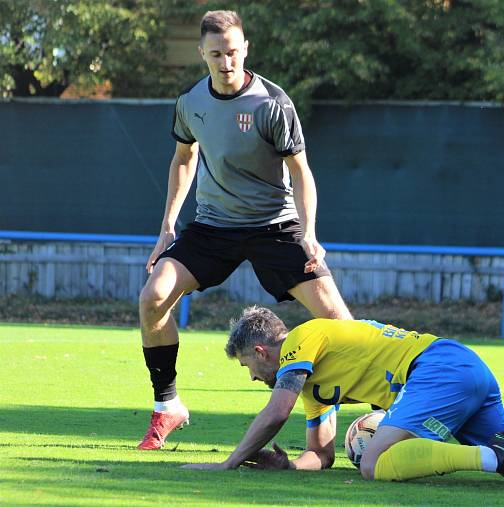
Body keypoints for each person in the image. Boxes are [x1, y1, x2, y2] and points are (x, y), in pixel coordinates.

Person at [137, 10, 352, 451]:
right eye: (216, 53)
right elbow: (183, 158)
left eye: (233, 51)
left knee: (337, 319)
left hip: (275, 225)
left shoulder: (273, 103)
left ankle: (374, 407)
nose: (226, 61)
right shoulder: (190, 102)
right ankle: (167, 405)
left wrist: (310, 233)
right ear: (202, 54)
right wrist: (167, 228)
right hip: (214, 226)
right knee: (152, 297)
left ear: (245, 49)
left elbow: (302, 172)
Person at [182, 306, 504, 485]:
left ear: (261, 351)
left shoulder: (304, 337)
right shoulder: (314, 384)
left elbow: (275, 410)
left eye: (248, 365)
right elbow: (320, 456)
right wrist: (288, 464)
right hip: (461, 369)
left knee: (374, 464)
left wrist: (227, 461)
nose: (252, 376)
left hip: (436, 370)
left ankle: (494, 458)